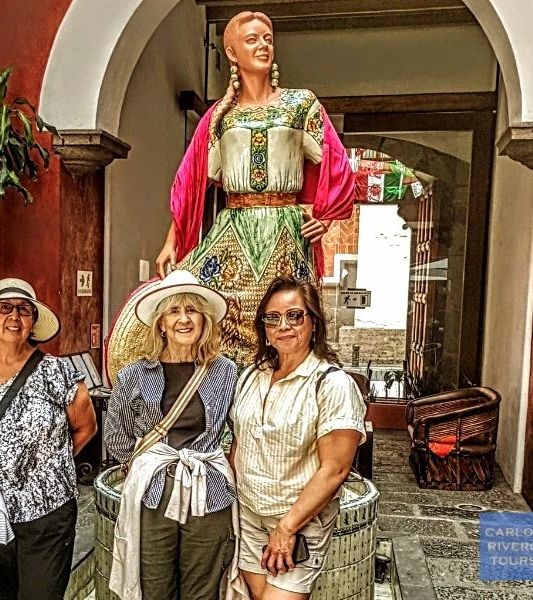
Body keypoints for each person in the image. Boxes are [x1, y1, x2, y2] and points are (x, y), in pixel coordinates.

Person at [153, 11, 356, 367]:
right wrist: (173, 240)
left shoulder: (301, 104)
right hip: (233, 226)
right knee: (207, 311)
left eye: (267, 39)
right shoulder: (220, 116)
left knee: (289, 317)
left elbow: (336, 164)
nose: (262, 46)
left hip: (287, 229)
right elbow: (192, 181)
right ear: (231, 53)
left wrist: (324, 215)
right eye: (251, 40)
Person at [0, 278, 97, 600]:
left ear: (33, 321)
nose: (14, 317)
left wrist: (48, 464)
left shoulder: (58, 373)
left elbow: (86, 427)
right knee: (1, 593)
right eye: (4, 308)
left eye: (24, 310)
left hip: (48, 511)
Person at [104, 270, 239, 600]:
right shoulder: (134, 375)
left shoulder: (225, 371)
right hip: (154, 492)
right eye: (174, 311)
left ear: (204, 320)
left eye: (192, 310)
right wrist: (146, 465)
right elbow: (115, 434)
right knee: (154, 585)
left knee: (202, 588)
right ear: (160, 323)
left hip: (208, 489)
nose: (184, 319)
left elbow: (241, 428)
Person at [229, 276, 366, 599]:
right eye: (273, 318)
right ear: (263, 326)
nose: (284, 326)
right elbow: (240, 442)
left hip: (298, 523)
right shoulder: (252, 375)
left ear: (314, 324)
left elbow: (335, 469)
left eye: (295, 316)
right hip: (248, 517)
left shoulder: (331, 385)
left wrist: (287, 528)